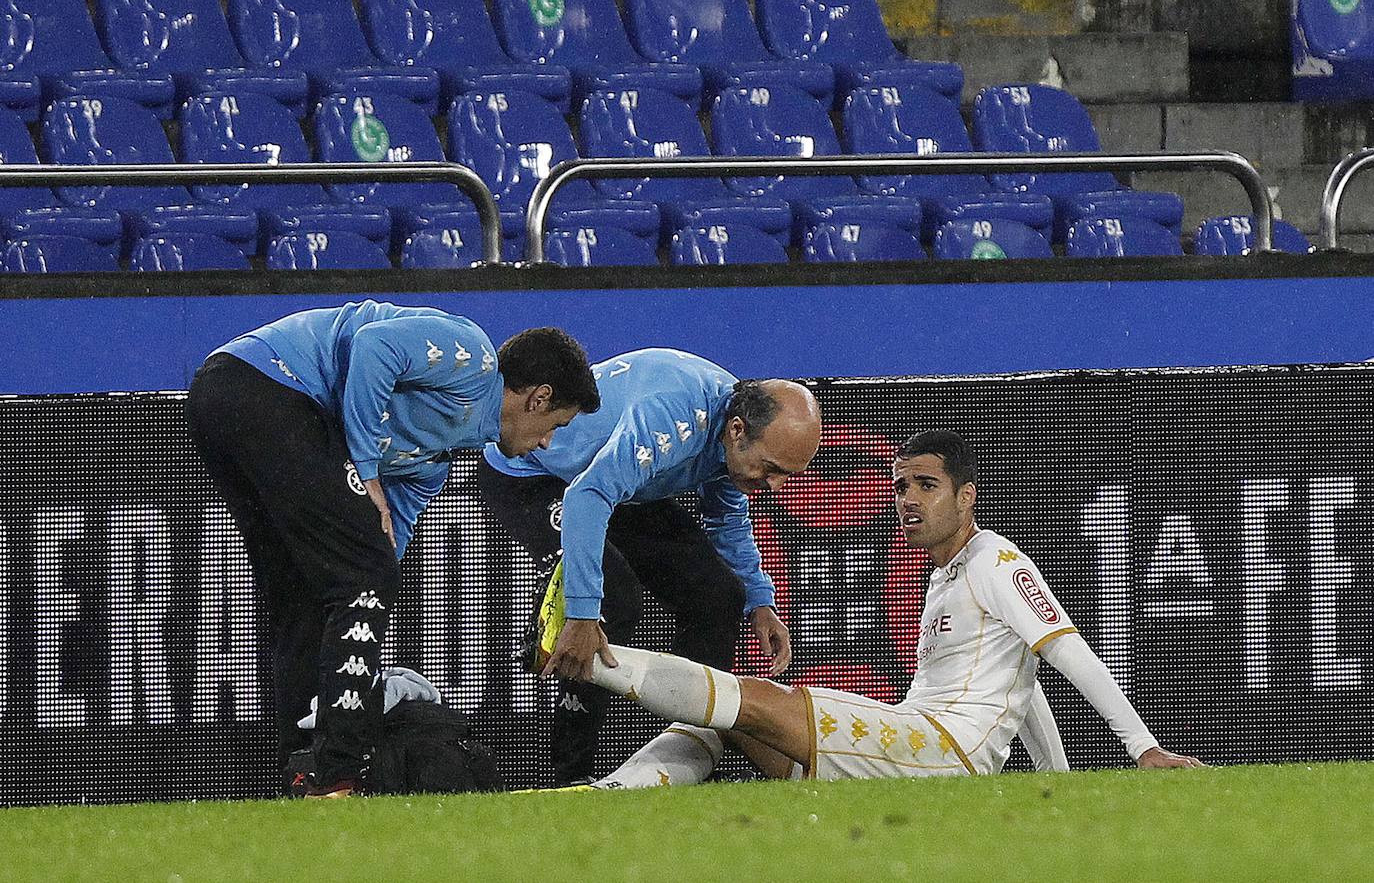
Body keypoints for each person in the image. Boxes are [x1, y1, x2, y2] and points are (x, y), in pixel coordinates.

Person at [540, 430, 1201, 788]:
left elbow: (1067, 653)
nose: (908, 499)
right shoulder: (944, 578)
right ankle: (604, 800)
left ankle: (588, 661)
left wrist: (1143, 749)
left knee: (757, 699)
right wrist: (1058, 786)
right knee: (736, 724)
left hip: (943, 751)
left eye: (926, 486)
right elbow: (1023, 686)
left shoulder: (996, 560)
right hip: (918, 742)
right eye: (899, 486)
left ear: (966, 497)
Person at [185, 300, 600, 796]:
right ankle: (337, 772)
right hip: (264, 385)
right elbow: (374, 346)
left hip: (222, 401)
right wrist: (366, 464)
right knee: (357, 581)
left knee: (306, 597)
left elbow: (383, 552)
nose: (549, 444)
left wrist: (361, 627)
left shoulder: (433, 463)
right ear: (538, 397)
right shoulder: (475, 355)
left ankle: (301, 772)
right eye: (556, 425)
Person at [477, 348, 821, 784]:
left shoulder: (741, 427)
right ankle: (569, 778)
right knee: (612, 600)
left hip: (615, 486)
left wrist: (758, 599)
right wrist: (582, 615)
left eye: (787, 474)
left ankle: (688, 759)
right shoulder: (673, 416)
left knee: (719, 596)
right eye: (772, 470)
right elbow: (587, 497)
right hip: (531, 473)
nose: (773, 486)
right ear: (737, 431)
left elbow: (725, 516)